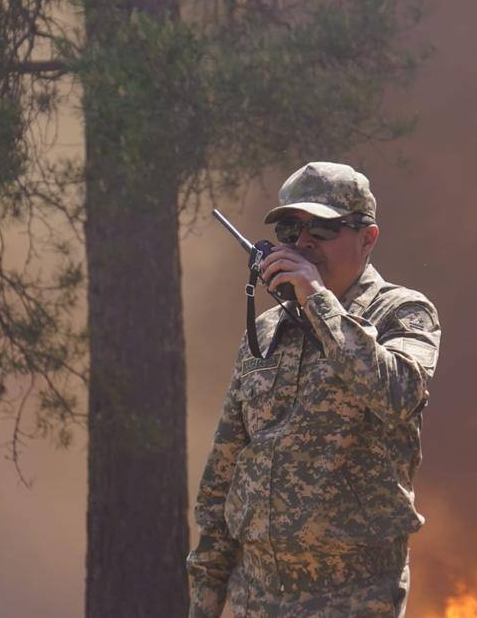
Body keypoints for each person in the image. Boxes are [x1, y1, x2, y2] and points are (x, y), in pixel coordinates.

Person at [187, 161, 442, 617]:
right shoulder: (264, 332)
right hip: (257, 598)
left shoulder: (402, 314)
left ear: (367, 238)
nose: (303, 244)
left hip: (351, 598)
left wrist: (316, 300)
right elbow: (223, 475)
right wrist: (204, 602)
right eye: (291, 229)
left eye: (322, 229)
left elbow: (398, 393)